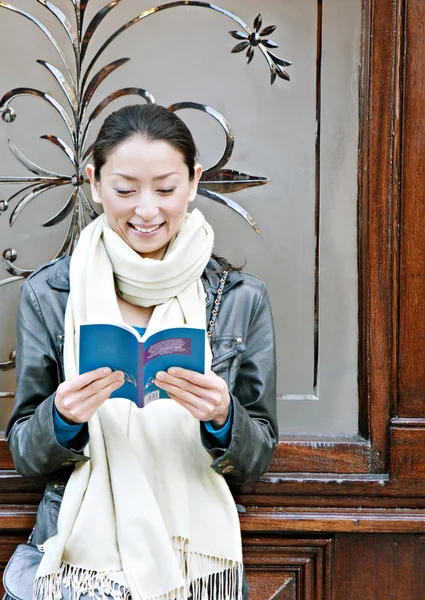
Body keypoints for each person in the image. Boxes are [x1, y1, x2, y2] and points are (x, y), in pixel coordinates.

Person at [5, 103, 277, 600]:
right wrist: (62, 416)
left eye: (167, 189)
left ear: (194, 182)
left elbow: (258, 454)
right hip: (82, 572)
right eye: (125, 190)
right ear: (94, 182)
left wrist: (222, 416)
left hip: (195, 564)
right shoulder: (50, 295)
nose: (147, 210)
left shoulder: (240, 298)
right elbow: (25, 452)